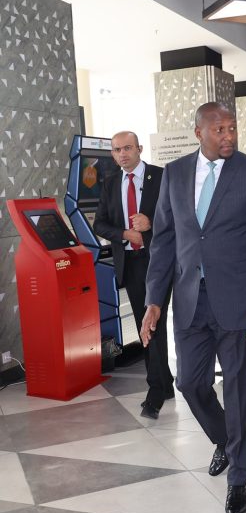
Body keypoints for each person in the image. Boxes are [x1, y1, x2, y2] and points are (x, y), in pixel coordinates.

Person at [140, 102, 246, 513]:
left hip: (240, 304)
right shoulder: (175, 174)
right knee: (189, 383)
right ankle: (224, 439)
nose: (228, 136)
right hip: (190, 301)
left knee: (239, 393)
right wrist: (154, 300)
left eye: (232, 128)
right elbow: (164, 242)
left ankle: (238, 479)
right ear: (198, 132)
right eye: (219, 129)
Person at [94, 131, 174, 420]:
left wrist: (150, 224)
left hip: (159, 260)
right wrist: (125, 234)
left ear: (139, 148)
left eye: (127, 148)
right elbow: (100, 224)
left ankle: (155, 391)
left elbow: (179, 215)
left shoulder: (161, 177)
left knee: (154, 321)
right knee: (147, 322)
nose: (122, 154)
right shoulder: (110, 183)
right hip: (130, 262)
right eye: (117, 150)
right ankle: (165, 383)